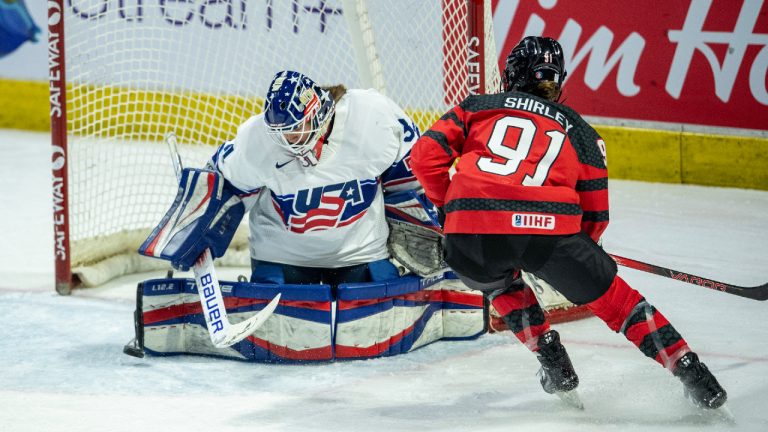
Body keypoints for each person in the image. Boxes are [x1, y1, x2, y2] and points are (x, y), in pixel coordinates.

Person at [409, 36, 727, 409]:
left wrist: (450, 208)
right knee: (621, 305)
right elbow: (595, 214)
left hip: (469, 236)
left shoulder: (477, 105)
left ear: (511, 74)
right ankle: (694, 374)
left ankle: (551, 359)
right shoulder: (583, 132)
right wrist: (583, 251)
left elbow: (424, 156)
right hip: (549, 236)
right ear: (558, 81)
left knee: (500, 285)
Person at [207, 70, 422, 290]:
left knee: (376, 312)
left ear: (318, 115)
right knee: (283, 316)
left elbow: (411, 180)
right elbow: (221, 188)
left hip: (360, 252)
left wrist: (430, 228)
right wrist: (198, 231)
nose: (286, 139)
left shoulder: (372, 118)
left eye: (294, 129)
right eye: (280, 132)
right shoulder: (257, 139)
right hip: (283, 256)